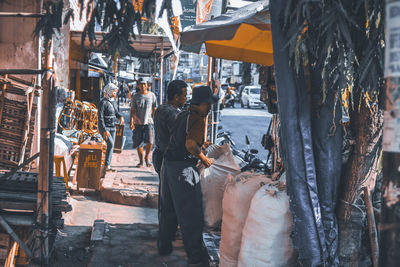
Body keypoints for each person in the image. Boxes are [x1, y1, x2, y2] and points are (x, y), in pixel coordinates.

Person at [158, 86, 218, 267]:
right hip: (183, 169)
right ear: (203, 104)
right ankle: (195, 257)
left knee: (168, 210)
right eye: (208, 105)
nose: (209, 108)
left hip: (168, 166)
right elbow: (191, 144)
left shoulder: (183, 113)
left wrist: (201, 143)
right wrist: (204, 158)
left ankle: (164, 247)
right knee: (190, 213)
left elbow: (181, 137)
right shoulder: (198, 117)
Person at [130, 77, 157, 167]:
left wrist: (156, 120)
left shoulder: (152, 96)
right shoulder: (135, 96)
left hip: (149, 122)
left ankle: (147, 157)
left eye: (144, 84)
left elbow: (154, 109)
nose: (142, 86)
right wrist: (131, 121)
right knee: (138, 142)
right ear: (138, 85)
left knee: (150, 141)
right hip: (138, 122)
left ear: (147, 85)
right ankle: (141, 161)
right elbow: (133, 110)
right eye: (141, 84)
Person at [98, 83, 124, 171]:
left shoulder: (113, 102)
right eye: (114, 92)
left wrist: (120, 116)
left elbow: (116, 113)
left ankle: (107, 165)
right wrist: (104, 129)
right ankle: (107, 165)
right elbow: (100, 117)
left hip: (112, 127)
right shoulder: (102, 102)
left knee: (111, 146)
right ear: (109, 91)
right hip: (105, 128)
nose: (115, 94)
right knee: (111, 144)